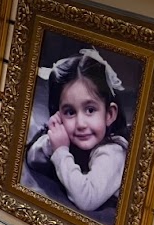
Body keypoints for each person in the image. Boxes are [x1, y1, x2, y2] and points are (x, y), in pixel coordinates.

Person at [25, 48, 130, 216]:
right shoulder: (71, 139)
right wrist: (53, 140)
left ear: (109, 114)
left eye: (90, 110)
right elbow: (32, 159)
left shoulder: (113, 151)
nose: (80, 124)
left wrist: (60, 151)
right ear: (58, 114)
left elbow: (87, 199)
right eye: (69, 112)